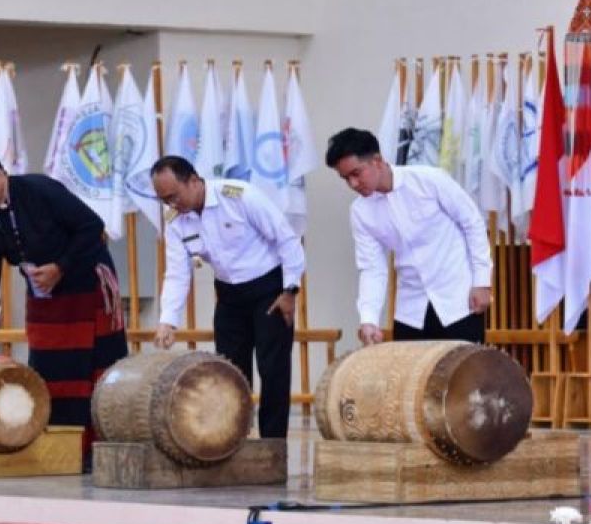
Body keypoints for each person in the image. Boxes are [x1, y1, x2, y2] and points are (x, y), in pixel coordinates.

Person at [0, 153, 128, 453]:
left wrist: (60, 267)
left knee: (99, 369)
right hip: (46, 297)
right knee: (50, 373)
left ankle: (106, 448)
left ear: (1, 174)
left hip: (86, 281)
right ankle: (65, 451)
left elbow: (92, 226)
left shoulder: (40, 189)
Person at [151, 156, 304, 439]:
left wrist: (290, 290)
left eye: (174, 196)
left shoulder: (239, 196)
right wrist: (167, 321)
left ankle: (273, 444)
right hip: (229, 296)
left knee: (273, 370)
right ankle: (233, 441)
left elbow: (286, 239)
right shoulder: (175, 222)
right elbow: (176, 274)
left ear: (194, 181)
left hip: (269, 290)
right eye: (164, 200)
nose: (172, 205)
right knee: (229, 373)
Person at [325, 128, 492, 345]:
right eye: (345, 178)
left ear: (377, 160)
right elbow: (372, 267)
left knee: (466, 378)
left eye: (356, 173)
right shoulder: (360, 212)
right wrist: (369, 319)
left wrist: (482, 281)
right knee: (410, 378)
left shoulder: (429, 180)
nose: (353, 184)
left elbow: (473, 222)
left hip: (459, 301)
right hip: (411, 310)